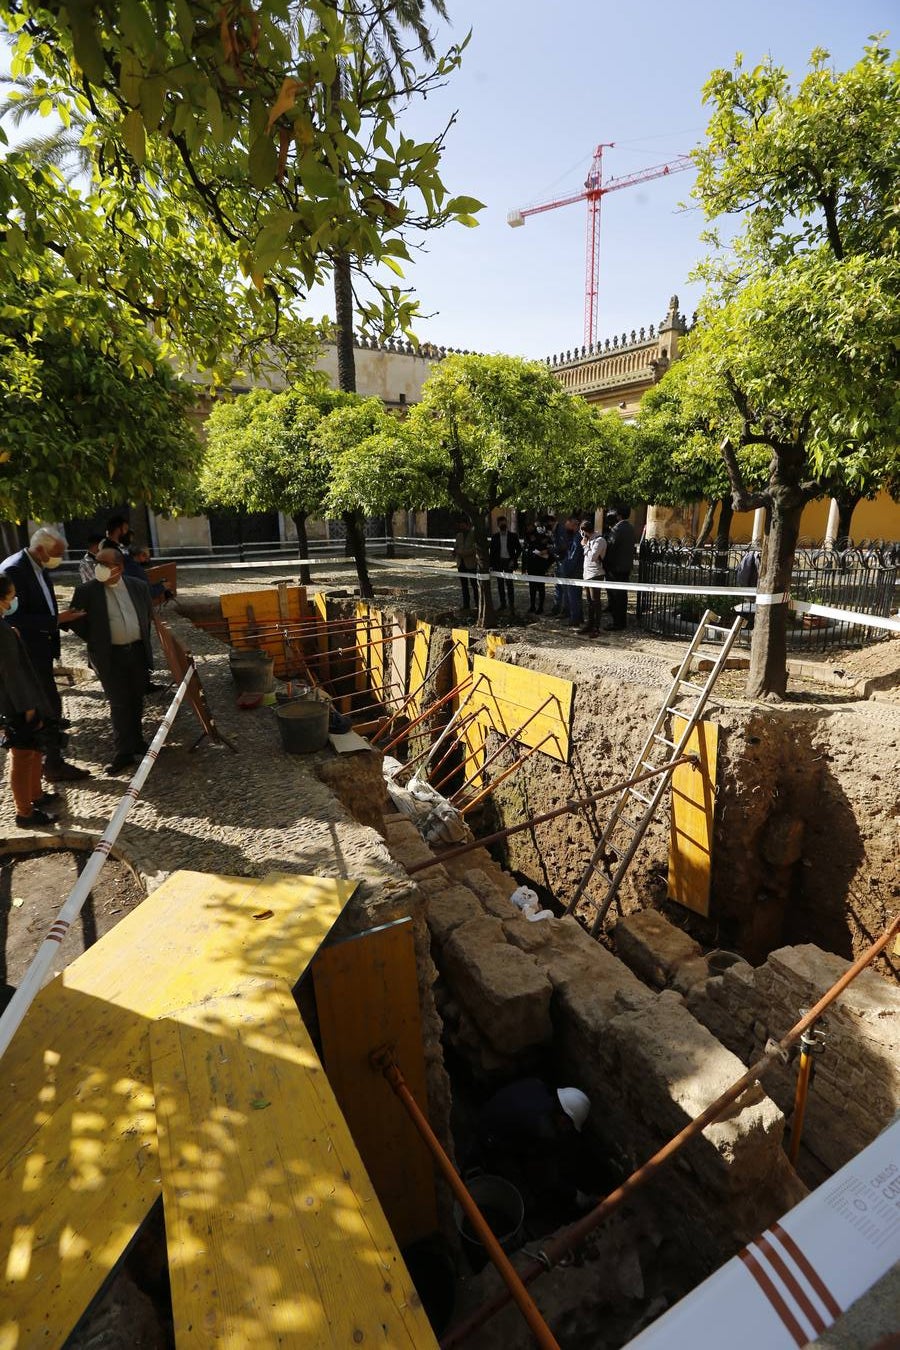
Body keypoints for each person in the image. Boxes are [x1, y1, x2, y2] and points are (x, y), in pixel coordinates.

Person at [0, 527, 90, 783]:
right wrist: (55, 619)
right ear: (41, 549)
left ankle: (45, 768)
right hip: (28, 655)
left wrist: (60, 620)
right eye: (56, 554)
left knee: (50, 707)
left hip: (42, 651)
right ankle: (50, 766)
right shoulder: (14, 570)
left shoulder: (38, 566)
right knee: (44, 711)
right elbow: (13, 618)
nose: (58, 559)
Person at [70, 548, 155, 774]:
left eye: (105, 563)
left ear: (119, 566)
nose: (100, 567)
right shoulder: (86, 591)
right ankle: (123, 751)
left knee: (136, 698)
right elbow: (75, 620)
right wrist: (97, 639)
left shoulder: (138, 587)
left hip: (136, 652)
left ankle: (137, 741)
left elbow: (146, 617)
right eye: (98, 562)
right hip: (109, 656)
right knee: (118, 702)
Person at [473, 1078, 592, 1222]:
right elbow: (546, 1174)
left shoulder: (538, 1086)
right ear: (563, 1117)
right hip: (490, 1138)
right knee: (528, 1200)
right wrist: (575, 1195)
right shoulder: (541, 1128)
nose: (567, 1130)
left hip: (489, 1113)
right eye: (569, 1126)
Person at [0, 575, 60, 828]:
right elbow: (12, 673)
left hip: (20, 700)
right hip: (16, 704)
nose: (15, 599)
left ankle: (36, 795)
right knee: (22, 755)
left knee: (34, 750)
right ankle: (24, 813)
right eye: (12, 594)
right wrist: (28, 708)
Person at [603, 504, 637, 632]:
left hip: (616, 567)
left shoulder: (617, 529)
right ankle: (620, 621)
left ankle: (618, 622)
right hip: (625, 566)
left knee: (617, 596)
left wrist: (606, 562)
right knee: (622, 595)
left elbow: (611, 547)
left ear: (618, 515)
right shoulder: (630, 527)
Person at [578, 518, 607, 636]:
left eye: (582, 532)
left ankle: (596, 627)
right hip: (587, 574)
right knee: (590, 601)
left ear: (584, 531)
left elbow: (593, 557)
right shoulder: (589, 540)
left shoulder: (599, 540)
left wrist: (585, 546)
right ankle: (590, 624)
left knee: (596, 601)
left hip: (596, 574)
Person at [489, 515, 521, 612]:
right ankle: (503, 604)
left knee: (509, 584)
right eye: (501, 523)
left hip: (509, 562)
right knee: (500, 584)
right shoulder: (494, 537)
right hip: (498, 562)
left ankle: (511, 604)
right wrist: (491, 565)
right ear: (498, 524)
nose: (503, 524)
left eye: (504, 522)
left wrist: (513, 560)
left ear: (506, 523)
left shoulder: (513, 536)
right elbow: (492, 552)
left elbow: (519, 549)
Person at [521, 522, 552, 614]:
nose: (529, 529)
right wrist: (524, 567)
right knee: (532, 588)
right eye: (527, 527)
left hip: (540, 565)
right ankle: (532, 606)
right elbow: (525, 553)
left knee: (541, 587)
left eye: (530, 527)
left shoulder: (541, 537)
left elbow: (547, 548)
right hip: (531, 566)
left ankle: (540, 607)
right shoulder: (526, 538)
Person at [552, 515, 578, 616]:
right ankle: (559, 608)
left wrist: (551, 550)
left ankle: (565, 610)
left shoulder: (572, 534)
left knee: (565, 587)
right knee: (559, 586)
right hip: (561, 561)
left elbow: (565, 547)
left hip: (565, 562)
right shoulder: (565, 531)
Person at [561, 520, 585, 627]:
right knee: (577, 596)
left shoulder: (577, 538)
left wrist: (567, 570)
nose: (567, 529)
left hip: (574, 571)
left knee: (573, 597)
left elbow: (573, 557)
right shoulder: (577, 537)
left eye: (568, 527)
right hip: (577, 570)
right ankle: (579, 617)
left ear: (575, 525)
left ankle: (575, 619)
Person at [452, 517, 478, 612]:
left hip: (471, 563)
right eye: (460, 525)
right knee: (464, 586)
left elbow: (475, 549)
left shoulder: (473, 534)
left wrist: (464, 553)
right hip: (461, 564)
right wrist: (455, 552)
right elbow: (456, 547)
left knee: (474, 585)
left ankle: (477, 604)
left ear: (467, 525)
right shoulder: (459, 535)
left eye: (462, 524)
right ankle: (466, 604)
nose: (461, 526)